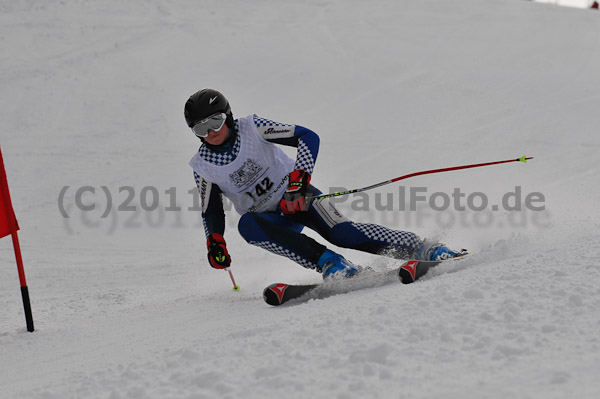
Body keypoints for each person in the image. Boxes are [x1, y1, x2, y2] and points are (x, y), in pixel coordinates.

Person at [185, 89, 465, 279]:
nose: (211, 132)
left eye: (216, 122)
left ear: (229, 116)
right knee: (247, 226)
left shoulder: (252, 127)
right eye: (201, 128)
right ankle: (333, 264)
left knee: (344, 234)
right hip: (268, 219)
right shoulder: (203, 166)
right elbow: (211, 210)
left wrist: (298, 181)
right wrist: (215, 241)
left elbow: (308, 137)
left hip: (297, 198)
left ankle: (425, 248)